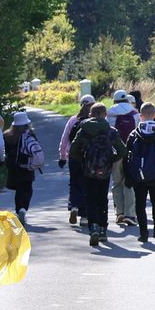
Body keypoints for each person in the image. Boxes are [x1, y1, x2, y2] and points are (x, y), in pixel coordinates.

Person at [71, 102, 127, 247]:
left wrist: (83, 160)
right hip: (105, 170)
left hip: (88, 170)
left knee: (90, 199)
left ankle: (93, 227)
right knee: (102, 199)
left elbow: (73, 150)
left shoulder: (84, 130)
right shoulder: (111, 131)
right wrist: (111, 160)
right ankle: (103, 229)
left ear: (91, 114)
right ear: (105, 115)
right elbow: (123, 150)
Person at [124, 103, 155, 242]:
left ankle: (143, 233)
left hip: (138, 175)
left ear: (140, 115)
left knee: (140, 204)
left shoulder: (134, 133)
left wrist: (128, 175)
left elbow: (126, 156)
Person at [59, 94, 95, 226]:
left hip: (73, 156)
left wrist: (62, 156)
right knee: (87, 184)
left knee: (74, 182)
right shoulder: (95, 121)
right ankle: (84, 216)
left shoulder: (73, 120)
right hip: (90, 157)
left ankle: (74, 206)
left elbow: (64, 139)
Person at [107, 89, 140, 227]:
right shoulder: (134, 113)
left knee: (116, 182)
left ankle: (119, 212)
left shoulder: (110, 113)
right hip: (131, 152)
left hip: (115, 153)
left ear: (114, 100)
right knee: (129, 182)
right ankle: (130, 214)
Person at [4, 110, 41, 224]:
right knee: (27, 188)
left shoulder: (7, 136)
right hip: (26, 165)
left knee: (19, 189)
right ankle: (23, 209)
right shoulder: (30, 135)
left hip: (13, 166)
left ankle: (18, 210)